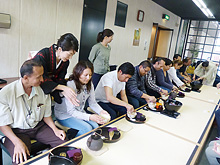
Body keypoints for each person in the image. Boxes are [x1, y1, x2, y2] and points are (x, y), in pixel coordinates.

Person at [0, 59, 66, 165]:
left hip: (39, 127)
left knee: (64, 144)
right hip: (17, 131)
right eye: (38, 77)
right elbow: (3, 125)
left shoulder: (42, 90)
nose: (42, 79)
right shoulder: (5, 94)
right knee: (20, 159)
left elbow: (47, 115)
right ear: (26, 78)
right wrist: (17, 142)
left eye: (42, 75)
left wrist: (55, 129)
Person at [54, 61, 110, 137]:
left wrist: (101, 111)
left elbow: (92, 103)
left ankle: (87, 142)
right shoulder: (70, 84)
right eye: (85, 75)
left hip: (79, 112)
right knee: (87, 129)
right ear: (78, 73)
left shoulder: (89, 84)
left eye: (90, 75)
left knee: (95, 127)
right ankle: (74, 144)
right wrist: (90, 117)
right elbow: (71, 111)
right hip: (65, 115)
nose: (88, 78)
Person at [33, 33, 79, 105]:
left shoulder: (65, 62)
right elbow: (41, 77)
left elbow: (61, 78)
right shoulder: (43, 55)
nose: (70, 58)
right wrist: (63, 88)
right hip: (37, 87)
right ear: (60, 49)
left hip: (51, 88)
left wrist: (62, 90)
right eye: (69, 54)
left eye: (72, 55)